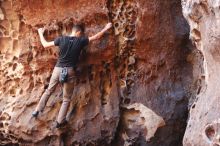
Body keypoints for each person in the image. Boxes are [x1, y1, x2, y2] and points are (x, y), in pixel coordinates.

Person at [32, 22, 112, 128]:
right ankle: (59, 121)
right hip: (69, 71)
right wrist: (105, 28)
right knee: (66, 98)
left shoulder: (61, 39)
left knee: (49, 91)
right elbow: (96, 37)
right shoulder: (80, 41)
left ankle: (37, 111)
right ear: (78, 32)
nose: (81, 36)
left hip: (57, 69)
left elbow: (45, 45)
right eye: (81, 34)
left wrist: (40, 33)